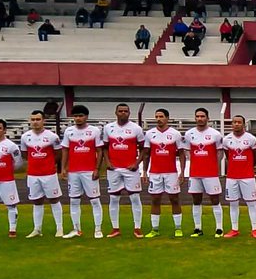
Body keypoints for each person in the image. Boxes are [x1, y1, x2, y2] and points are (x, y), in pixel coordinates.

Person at [101, 102, 147, 237]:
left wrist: (137, 163)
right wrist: (107, 162)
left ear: (129, 113)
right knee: (114, 198)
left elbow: (144, 148)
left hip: (130, 169)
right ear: (116, 113)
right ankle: (115, 228)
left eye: (125, 111)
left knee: (135, 197)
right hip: (113, 169)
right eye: (120, 111)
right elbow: (104, 147)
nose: (123, 113)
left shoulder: (136, 128)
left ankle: (137, 228)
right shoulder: (108, 128)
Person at [60, 104, 105, 238]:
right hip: (73, 171)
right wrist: (63, 168)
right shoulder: (69, 131)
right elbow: (65, 150)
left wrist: (97, 168)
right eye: (75, 116)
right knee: (74, 200)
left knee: (95, 200)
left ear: (86, 117)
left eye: (81, 116)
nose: (78, 118)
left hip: (89, 171)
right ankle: (76, 229)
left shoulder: (94, 131)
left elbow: (99, 151)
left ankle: (98, 229)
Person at [19, 109, 65, 238]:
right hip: (33, 174)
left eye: (38, 119)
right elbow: (24, 154)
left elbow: (58, 153)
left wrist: (49, 163)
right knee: (37, 201)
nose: (35, 122)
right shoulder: (25, 137)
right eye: (33, 120)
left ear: (43, 120)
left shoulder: (52, 136)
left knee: (54, 199)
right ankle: (37, 229)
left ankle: (59, 228)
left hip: (49, 174)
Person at [143, 108, 186, 238]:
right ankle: (154, 229)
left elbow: (182, 154)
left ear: (167, 118)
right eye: (156, 116)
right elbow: (146, 154)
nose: (158, 119)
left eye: (161, 116)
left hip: (171, 173)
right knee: (155, 199)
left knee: (174, 199)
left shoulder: (175, 134)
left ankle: (178, 228)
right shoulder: (150, 134)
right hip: (155, 173)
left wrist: (182, 172)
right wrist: (144, 171)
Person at [184, 107, 225, 237]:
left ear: (208, 118)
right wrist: (192, 160)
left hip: (211, 173)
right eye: (198, 116)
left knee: (215, 199)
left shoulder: (215, 134)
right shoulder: (189, 134)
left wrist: (215, 165)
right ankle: (197, 228)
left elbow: (220, 152)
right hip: (195, 173)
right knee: (196, 200)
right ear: (195, 118)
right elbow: (186, 150)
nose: (200, 119)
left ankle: (219, 228)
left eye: (202, 116)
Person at [223, 115, 256, 238]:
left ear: (243, 124)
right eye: (234, 122)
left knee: (251, 203)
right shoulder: (226, 139)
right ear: (231, 124)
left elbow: (255, 156)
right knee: (233, 203)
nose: (236, 124)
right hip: (231, 177)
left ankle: (254, 229)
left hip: (247, 176)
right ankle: (234, 229)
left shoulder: (251, 139)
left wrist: (248, 167)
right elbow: (228, 156)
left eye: (239, 122)